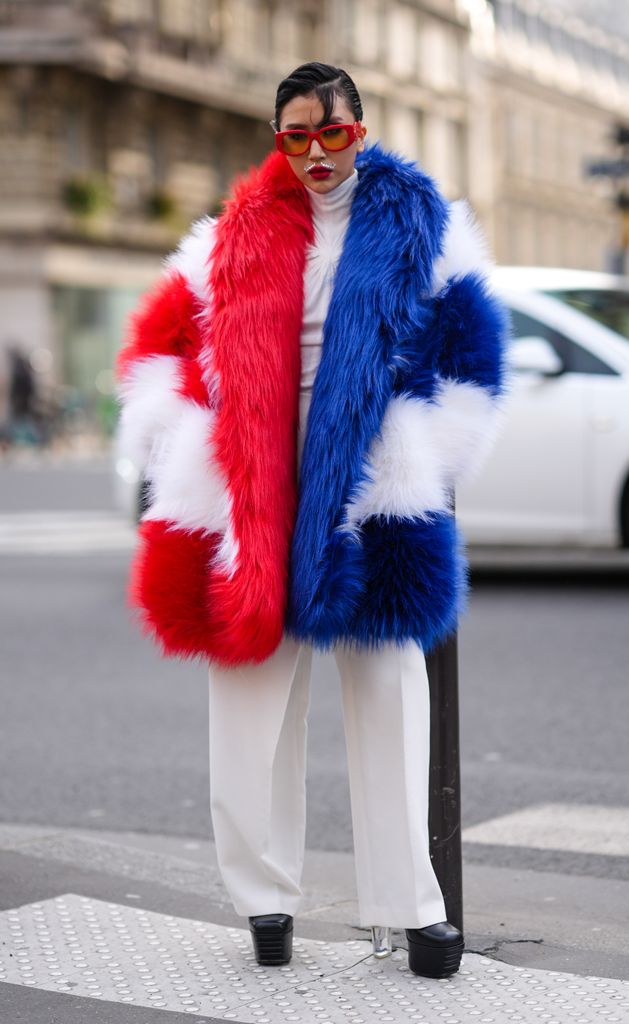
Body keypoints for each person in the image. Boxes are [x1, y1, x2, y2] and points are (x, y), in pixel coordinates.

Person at [115, 62, 509, 979]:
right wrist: (194, 446)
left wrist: (413, 453)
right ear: (277, 137)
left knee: (388, 699)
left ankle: (412, 907)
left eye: (331, 134)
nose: (315, 154)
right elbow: (157, 359)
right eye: (295, 137)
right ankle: (264, 904)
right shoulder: (226, 238)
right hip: (250, 489)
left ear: (359, 129)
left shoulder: (426, 229)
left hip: (370, 485)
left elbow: (471, 356)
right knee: (248, 709)